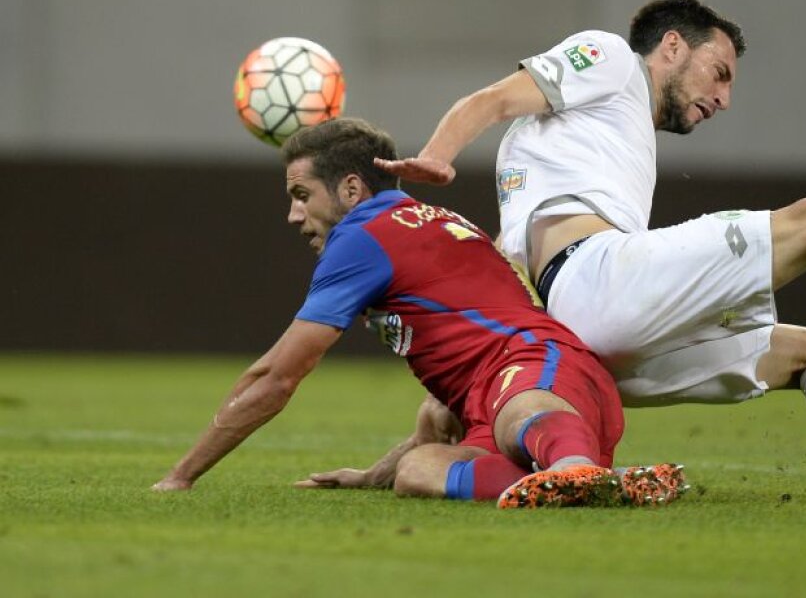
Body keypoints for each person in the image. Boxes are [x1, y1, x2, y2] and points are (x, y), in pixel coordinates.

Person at [323, 0, 806, 483]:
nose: (721, 97)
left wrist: (378, 471)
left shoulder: (580, 151)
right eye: (718, 73)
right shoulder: (612, 59)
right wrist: (440, 153)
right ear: (673, 46)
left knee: (805, 351)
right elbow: (488, 97)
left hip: (586, 346)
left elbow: (499, 274)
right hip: (592, 284)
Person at [151, 117, 685, 508]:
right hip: (521, 385)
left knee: (512, 416)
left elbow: (277, 375)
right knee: (419, 467)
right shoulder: (428, 219)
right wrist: (372, 474)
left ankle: (576, 469)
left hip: (534, 372)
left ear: (352, 189)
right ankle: (584, 482)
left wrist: (182, 474)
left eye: (300, 194)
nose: (293, 215)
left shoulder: (362, 235)